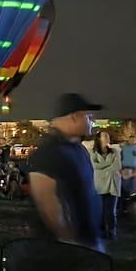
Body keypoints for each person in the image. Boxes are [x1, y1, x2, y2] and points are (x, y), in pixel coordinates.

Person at [27, 93, 103, 249]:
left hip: (87, 241)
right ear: (74, 117)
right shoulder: (47, 153)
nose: (92, 122)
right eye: (88, 117)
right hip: (63, 251)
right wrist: (71, 242)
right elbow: (49, 208)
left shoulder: (78, 149)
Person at [90, 131, 122, 240]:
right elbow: (95, 166)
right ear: (98, 139)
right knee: (100, 211)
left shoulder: (115, 151)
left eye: (108, 135)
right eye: (105, 136)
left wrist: (103, 168)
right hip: (99, 185)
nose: (107, 137)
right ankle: (101, 232)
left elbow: (117, 166)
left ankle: (112, 233)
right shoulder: (93, 153)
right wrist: (109, 165)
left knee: (111, 211)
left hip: (112, 184)